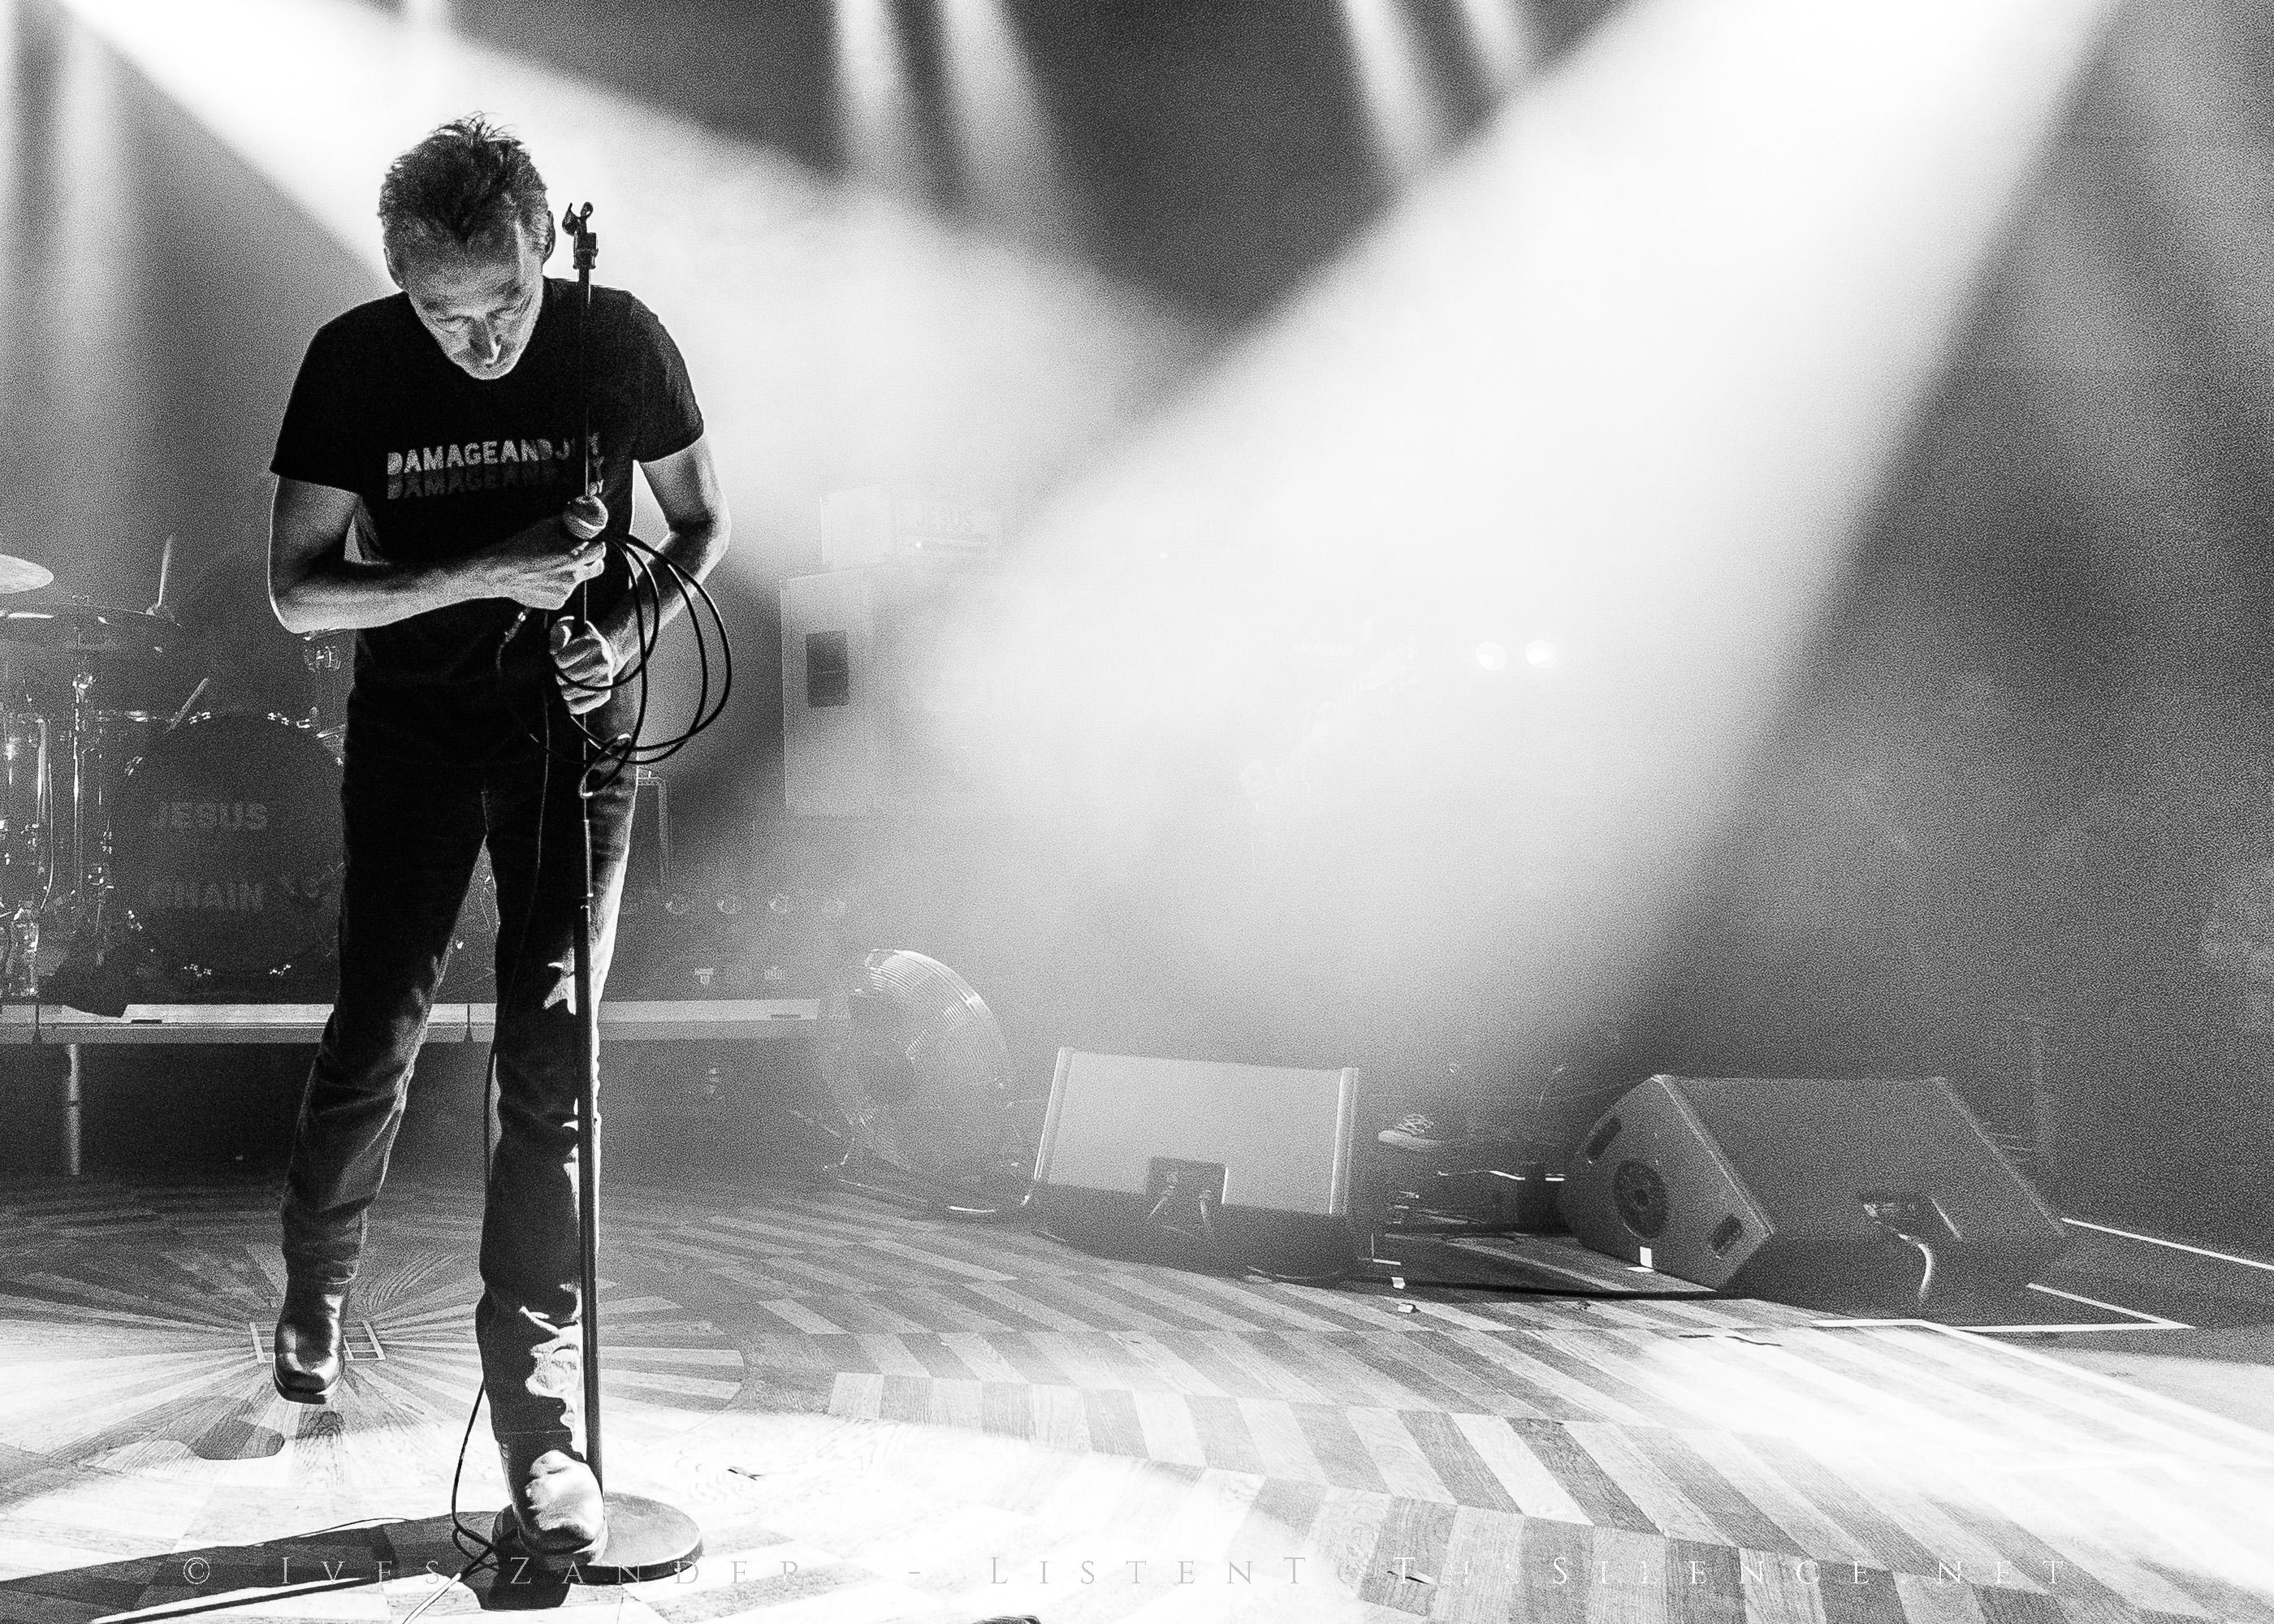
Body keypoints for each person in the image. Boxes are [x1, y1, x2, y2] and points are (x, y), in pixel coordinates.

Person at [264, 114, 728, 1569]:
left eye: (505, 303)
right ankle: (318, 1282)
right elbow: (297, 591)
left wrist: (617, 625)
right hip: (413, 731)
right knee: (381, 1021)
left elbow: (702, 520)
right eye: (442, 312)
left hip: (574, 740)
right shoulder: (353, 359)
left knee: (553, 1048)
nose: (475, 340)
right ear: (400, 281)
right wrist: (482, 569)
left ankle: (540, 1428)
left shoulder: (618, 336)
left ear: (546, 242)